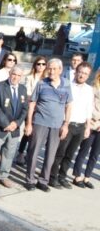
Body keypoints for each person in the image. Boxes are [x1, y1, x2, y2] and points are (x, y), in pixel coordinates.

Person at [24, 58, 72, 191]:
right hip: (40, 122)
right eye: (49, 68)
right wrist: (29, 123)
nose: (51, 71)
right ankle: (30, 180)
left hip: (56, 125)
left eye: (54, 69)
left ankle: (43, 181)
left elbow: (69, 106)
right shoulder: (41, 83)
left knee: (50, 155)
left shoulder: (67, 84)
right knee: (33, 152)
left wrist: (66, 125)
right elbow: (32, 104)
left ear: (60, 70)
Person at [50, 62, 93, 189]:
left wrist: (88, 127)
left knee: (70, 154)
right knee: (60, 152)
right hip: (67, 125)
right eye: (80, 72)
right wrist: (63, 124)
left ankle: (62, 177)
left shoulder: (89, 89)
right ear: (76, 72)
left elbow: (89, 109)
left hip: (80, 126)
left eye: (85, 74)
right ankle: (52, 177)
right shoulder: (66, 85)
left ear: (88, 76)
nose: (82, 75)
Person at [0, 66, 27, 188]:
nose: (15, 77)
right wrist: (6, 124)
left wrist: (16, 123)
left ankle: (3, 176)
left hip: (14, 129)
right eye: (14, 74)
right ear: (9, 74)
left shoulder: (22, 89)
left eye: (19, 75)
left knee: (9, 153)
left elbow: (25, 109)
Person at [16, 56, 48, 165]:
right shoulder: (30, 78)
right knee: (27, 131)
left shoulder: (48, 78)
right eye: (38, 64)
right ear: (35, 65)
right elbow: (28, 94)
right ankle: (20, 153)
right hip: (30, 108)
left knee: (36, 134)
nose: (41, 66)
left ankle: (29, 155)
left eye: (43, 64)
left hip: (42, 110)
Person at [72, 70, 100, 188]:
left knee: (95, 154)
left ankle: (87, 177)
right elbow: (88, 106)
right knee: (84, 151)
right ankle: (77, 176)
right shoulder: (92, 88)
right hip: (91, 123)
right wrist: (95, 119)